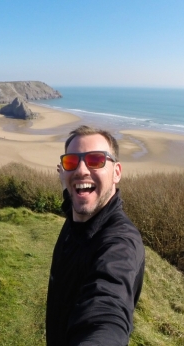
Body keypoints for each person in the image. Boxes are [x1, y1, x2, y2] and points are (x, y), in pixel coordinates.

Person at [46, 125, 145, 345]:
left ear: (117, 172)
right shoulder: (77, 216)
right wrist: (67, 183)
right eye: (72, 162)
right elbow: (72, 199)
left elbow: (107, 310)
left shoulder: (120, 242)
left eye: (95, 160)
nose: (81, 170)